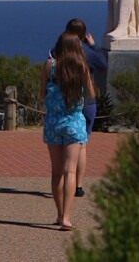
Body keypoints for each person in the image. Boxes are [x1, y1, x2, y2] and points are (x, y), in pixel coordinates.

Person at [41, 31, 96, 231]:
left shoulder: (50, 66)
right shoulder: (82, 67)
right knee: (70, 170)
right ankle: (66, 216)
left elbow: (42, 93)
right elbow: (90, 95)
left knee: (56, 172)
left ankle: (58, 214)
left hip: (53, 122)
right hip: (74, 122)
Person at [63, 18, 107, 199]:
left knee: (65, 144)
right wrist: (94, 46)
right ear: (84, 34)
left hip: (68, 101)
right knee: (82, 145)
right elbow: (103, 65)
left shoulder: (61, 53)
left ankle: (66, 181)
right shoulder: (88, 53)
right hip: (87, 102)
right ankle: (78, 185)